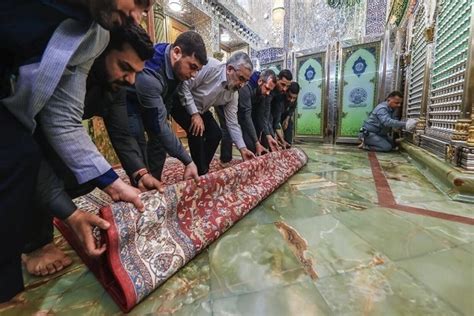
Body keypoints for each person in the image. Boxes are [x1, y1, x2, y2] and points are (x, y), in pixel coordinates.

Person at [0, 0, 150, 303]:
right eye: (139, 1)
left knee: (24, 157)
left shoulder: (95, 34)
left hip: (15, 112)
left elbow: (62, 118)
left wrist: (114, 182)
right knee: (21, 157)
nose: (138, 16)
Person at [22, 23, 156, 277]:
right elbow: (37, 134)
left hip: (50, 131)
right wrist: (70, 214)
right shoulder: (63, 65)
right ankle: (35, 244)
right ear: (100, 52)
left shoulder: (113, 84)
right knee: (37, 164)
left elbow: (120, 132)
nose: (130, 80)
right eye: (125, 67)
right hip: (23, 128)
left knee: (81, 177)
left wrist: (139, 174)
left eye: (136, 73)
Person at [128, 31, 207, 182]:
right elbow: (159, 125)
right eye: (192, 67)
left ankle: (154, 181)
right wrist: (188, 161)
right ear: (177, 52)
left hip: (153, 101)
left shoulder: (175, 65)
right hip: (129, 104)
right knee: (138, 143)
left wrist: (165, 116)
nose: (193, 75)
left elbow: (169, 96)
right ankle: (142, 187)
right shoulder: (151, 74)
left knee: (159, 141)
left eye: (197, 70)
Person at [171, 52, 256, 175]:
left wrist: (242, 148)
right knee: (197, 132)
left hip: (201, 109)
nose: (242, 85)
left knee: (216, 134)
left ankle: (200, 169)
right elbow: (184, 85)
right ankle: (200, 171)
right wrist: (194, 114)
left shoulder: (233, 94)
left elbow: (232, 123)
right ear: (230, 69)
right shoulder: (210, 67)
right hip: (181, 101)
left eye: (246, 81)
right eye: (241, 78)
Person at [218, 69, 277, 164]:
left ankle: (248, 152)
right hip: (225, 103)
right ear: (260, 81)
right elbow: (247, 117)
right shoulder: (246, 88)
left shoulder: (262, 93)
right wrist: (257, 142)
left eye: (270, 90)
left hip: (240, 109)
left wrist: (268, 135)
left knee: (251, 143)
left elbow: (261, 116)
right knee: (227, 130)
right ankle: (225, 160)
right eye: (267, 88)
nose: (268, 93)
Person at [269, 69, 293, 148]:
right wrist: (271, 136)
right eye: (283, 84)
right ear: (277, 79)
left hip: (269, 119)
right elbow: (265, 117)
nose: (285, 89)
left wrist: (282, 140)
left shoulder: (281, 95)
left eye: (287, 86)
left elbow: (276, 120)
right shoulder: (268, 90)